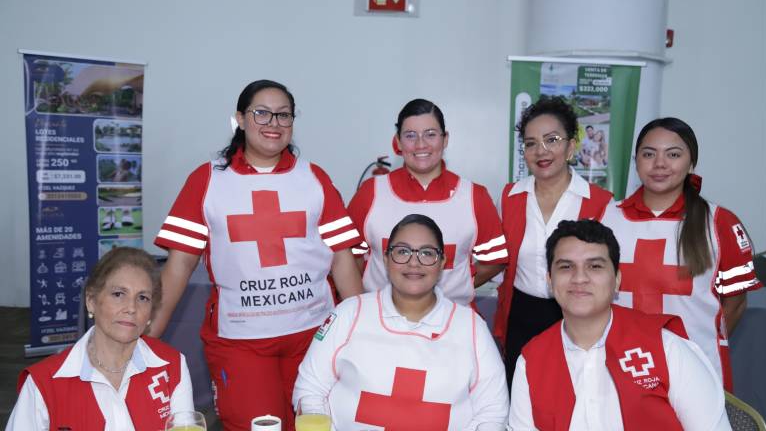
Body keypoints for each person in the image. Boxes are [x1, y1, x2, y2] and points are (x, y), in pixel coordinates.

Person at [150, 80, 364, 430]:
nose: (273, 123)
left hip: (314, 337)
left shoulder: (314, 177)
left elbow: (342, 258)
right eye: (261, 113)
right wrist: (144, 341)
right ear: (240, 118)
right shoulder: (207, 180)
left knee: (319, 425)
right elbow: (179, 266)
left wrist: (363, 329)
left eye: (283, 115)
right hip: (241, 343)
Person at [508, 220, 731, 430]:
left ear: (616, 279)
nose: (579, 278)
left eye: (594, 266)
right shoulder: (531, 360)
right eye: (566, 267)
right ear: (549, 280)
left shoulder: (667, 348)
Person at [294, 214, 509, 430]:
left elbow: (493, 412)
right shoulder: (350, 313)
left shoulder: (471, 327)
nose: (413, 262)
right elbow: (310, 389)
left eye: (427, 253)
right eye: (402, 251)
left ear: (442, 262)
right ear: (386, 259)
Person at [601, 117, 762, 390]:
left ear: (691, 163)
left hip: (695, 367)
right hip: (622, 362)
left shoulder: (720, 222)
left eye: (673, 154)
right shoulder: (605, 217)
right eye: (649, 154)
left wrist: (698, 347)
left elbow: (735, 304)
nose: (660, 164)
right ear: (636, 161)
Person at [492, 96, 613, 385]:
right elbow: (501, 265)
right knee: (521, 395)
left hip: (579, 314)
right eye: (531, 143)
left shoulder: (601, 202)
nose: (541, 151)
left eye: (552, 140)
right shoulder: (510, 197)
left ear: (571, 146)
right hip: (520, 315)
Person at [8, 247, 194, 430]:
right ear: (91, 300)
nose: (131, 307)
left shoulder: (171, 365)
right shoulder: (44, 382)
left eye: (143, 298)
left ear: (151, 311)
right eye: (118, 294)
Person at [348, 98, 507, 306]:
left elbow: (495, 260)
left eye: (430, 134)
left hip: (453, 323)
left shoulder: (475, 196)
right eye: (410, 135)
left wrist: (460, 287)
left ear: (445, 139)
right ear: (397, 141)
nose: (421, 144)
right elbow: (349, 257)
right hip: (381, 324)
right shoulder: (371, 193)